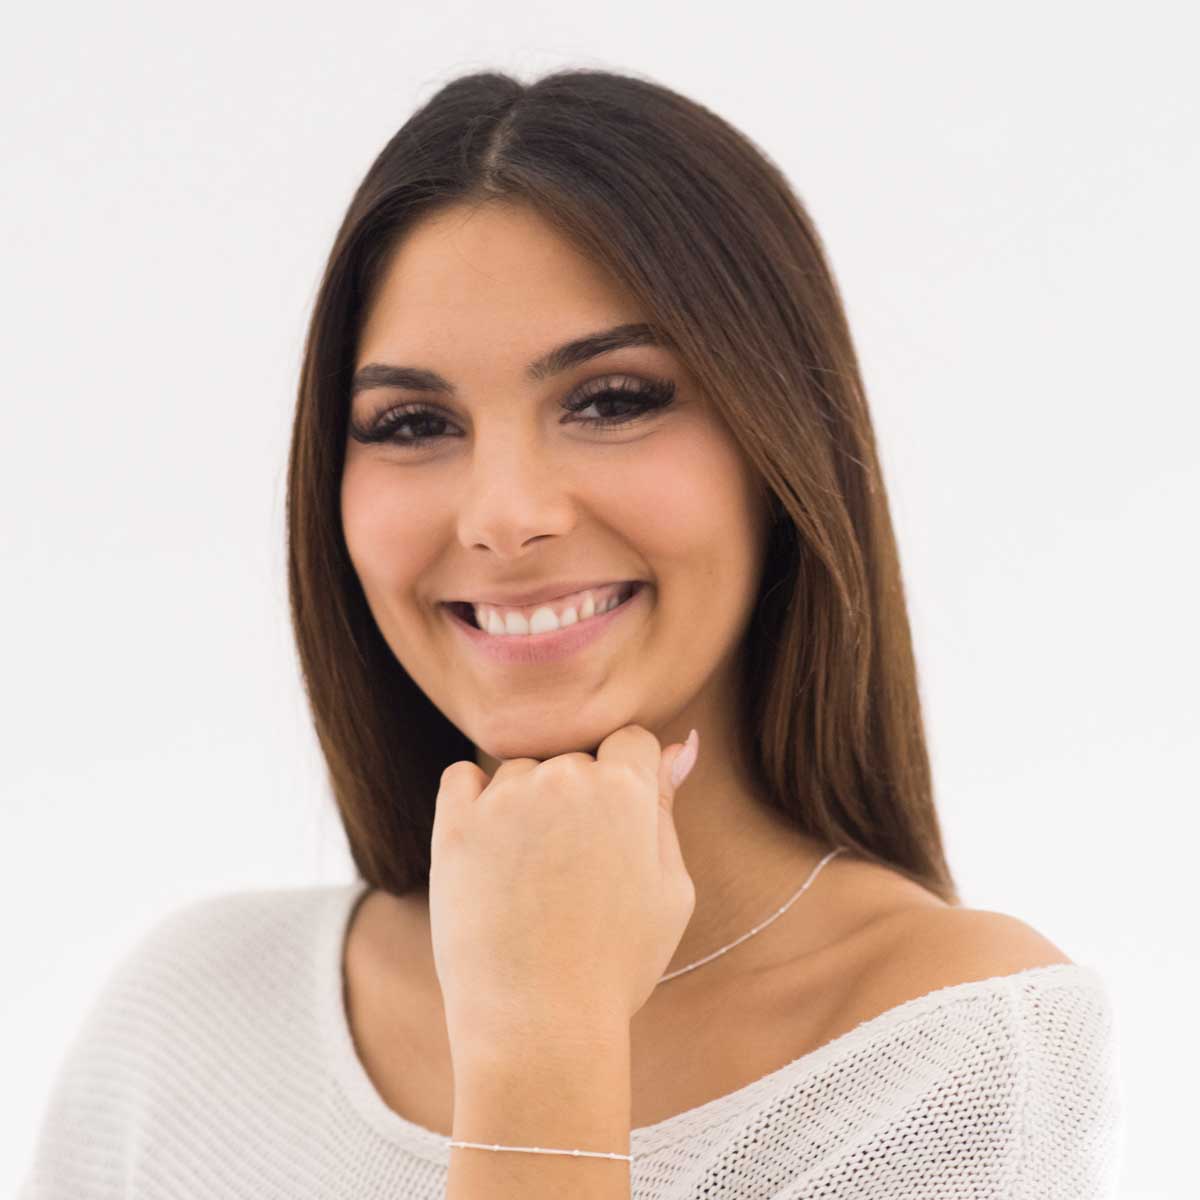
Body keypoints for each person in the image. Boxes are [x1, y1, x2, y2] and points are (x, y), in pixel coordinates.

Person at [20, 68, 1123, 1199]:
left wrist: (542, 1037)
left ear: (778, 447)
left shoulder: (950, 1053)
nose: (504, 516)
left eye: (611, 401)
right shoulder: (192, 1021)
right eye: (412, 423)